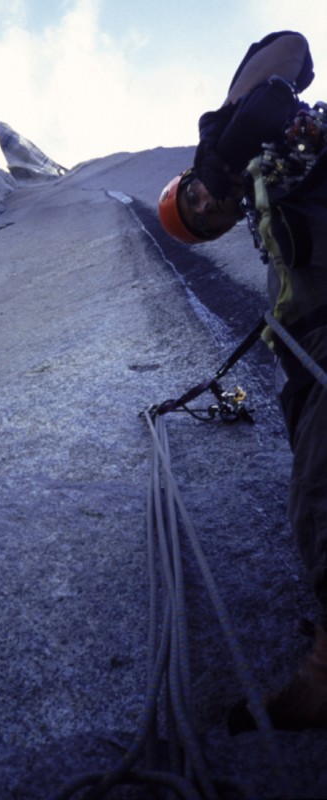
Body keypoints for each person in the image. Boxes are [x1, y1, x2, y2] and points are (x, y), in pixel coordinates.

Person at [158, 30, 327, 733]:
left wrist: (221, 142)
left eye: (195, 201)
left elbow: (289, 46)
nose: (206, 209)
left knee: (317, 489)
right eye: (200, 218)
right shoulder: (269, 202)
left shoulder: (255, 154)